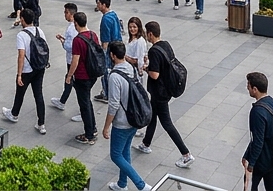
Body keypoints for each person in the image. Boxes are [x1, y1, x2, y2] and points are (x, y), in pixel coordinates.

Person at [137, 21, 193, 167]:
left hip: (159, 92)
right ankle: (145, 143)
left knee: (167, 123)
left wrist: (145, 68)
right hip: (165, 90)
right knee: (152, 116)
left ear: (150, 33)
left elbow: (155, 75)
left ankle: (186, 154)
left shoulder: (153, 51)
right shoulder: (166, 45)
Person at [103, 41, 146, 191]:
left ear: (112, 55)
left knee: (115, 155)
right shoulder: (130, 68)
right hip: (134, 118)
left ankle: (141, 185)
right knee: (125, 151)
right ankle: (122, 184)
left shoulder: (114, 76)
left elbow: (113, 105)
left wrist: (106, 127)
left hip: (121, 122)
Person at [3, 7, 48, 134]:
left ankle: (14, 114)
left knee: (20, 92)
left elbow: (21, 55)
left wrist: (19, 74)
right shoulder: (40, 31)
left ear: (22, 19)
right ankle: (41, 123)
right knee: (38, 95)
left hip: (27, 70)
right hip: (39, 67)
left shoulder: (21, 35)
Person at [244, 72, 273, 191]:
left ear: (255, 89)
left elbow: (257, 140)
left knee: (250, 186)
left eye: (248, 85)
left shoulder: (257, 111)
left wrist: (251, 163)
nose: (247, 88)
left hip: (262, 159)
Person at [67, 11, 100, 145]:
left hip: (82, 76)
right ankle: (93, 127)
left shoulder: (78, 40)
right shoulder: (93, 35)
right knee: (87, 101)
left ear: (76, 23)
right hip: (93, 74)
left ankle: (89, 135)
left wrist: (69, 76)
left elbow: (75, 61)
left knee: (84, 105)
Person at [50, 3, 79, 116]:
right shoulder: (75, 26)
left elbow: (69, 47)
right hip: (72, 59)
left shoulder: (72, 28)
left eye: (65, 12)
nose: (64, 15)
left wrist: (63, 42)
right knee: (69, 80)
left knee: (72, 80)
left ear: (70, 13)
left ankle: (83, 109)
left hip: (72, 60)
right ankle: (62, 100)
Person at [96, 0, 122, 102]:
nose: (97, 5)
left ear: (104, 5)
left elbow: (105, 40)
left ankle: (107, 93)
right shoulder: (113, 14)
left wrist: (102, 52)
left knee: (105, 71)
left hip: (110, 48)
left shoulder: (105, 19)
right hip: (118, 45)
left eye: (98, 3)